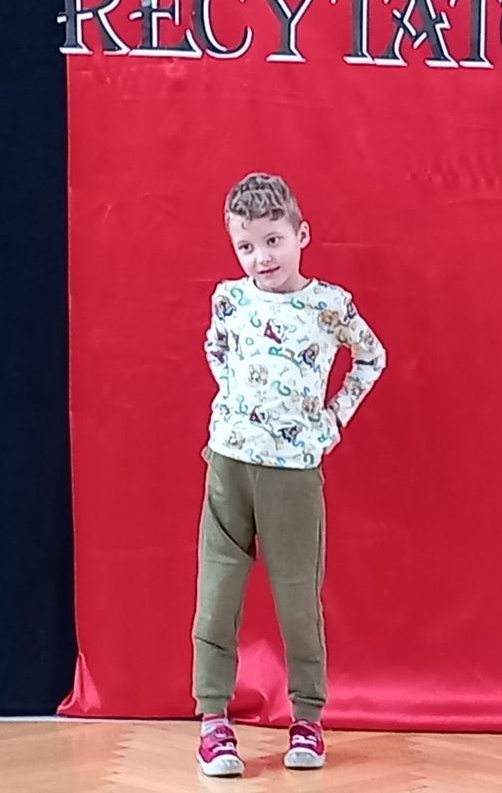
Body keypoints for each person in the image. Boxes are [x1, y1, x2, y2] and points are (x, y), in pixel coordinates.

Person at [193, 172, 387, 777]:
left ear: (301, 235)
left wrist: (331, 420)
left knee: (298, 598)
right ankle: (213, 719)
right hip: (228, 464)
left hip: (293, 475)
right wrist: (235, 407)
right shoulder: (229, 299)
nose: (262, 257)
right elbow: (216, 349)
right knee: (216, 595)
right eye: (246, 246)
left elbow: (371, 356)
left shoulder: (329, 306)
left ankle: (307, 717)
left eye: (273, 241)